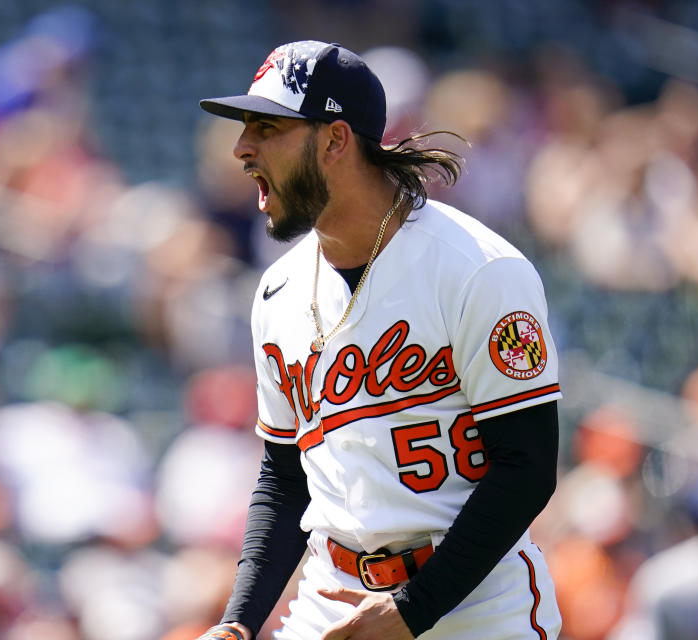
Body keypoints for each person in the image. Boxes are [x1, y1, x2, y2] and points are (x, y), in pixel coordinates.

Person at [195, 40, 563, 640]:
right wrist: (238, 623)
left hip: (473, 602)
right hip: (332, 595)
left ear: (336, 140)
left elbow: (527, 467)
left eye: (266, 127)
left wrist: (411, 610)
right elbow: (285, 476)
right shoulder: (278, 291)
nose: (242, 148)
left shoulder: (475, 268)